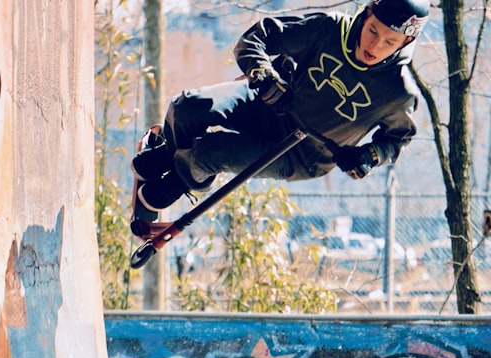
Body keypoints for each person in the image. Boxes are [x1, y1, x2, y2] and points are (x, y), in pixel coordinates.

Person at [132, 0, 429, 216]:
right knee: (187, 107)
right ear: (366, 16)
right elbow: (257, 37)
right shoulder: (329, 29)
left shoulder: (398, 92)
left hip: (301, 153)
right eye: (373, 31)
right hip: (271, 102)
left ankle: (188, 171)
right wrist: (263, 75)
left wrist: (369, 156)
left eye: (390, 42)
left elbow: (397, 139)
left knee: (212, 151)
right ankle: (173, 156)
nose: (375, 46)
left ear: (406, 42)